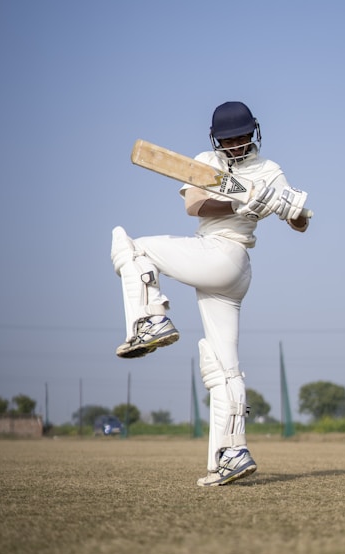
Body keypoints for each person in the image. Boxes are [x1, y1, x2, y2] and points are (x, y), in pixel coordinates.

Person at [111, 101, 311, 486]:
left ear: (253, 133)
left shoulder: (270, 171)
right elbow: (195, 205)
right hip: (217, 261)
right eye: (228, 139)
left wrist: (290, 208)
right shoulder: (206, 161)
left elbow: (299, 223)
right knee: (222, 367)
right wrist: (240, 199)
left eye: (241, 137)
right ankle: (231, 454)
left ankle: (150, 320)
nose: (235, 144)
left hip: (227, 256)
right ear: (216, 140)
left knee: (130, 246)